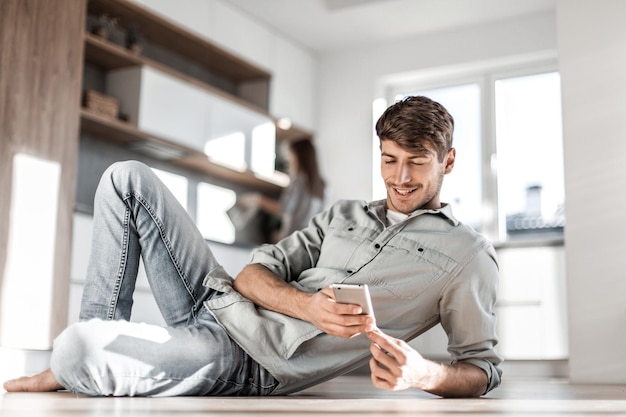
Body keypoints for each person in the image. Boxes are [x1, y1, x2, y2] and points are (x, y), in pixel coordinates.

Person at [3, 96, 502, 398]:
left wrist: (425, 374)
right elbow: (252, 274)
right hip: (217, 299)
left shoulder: (467, 255)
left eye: (416, 162)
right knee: (124, 178)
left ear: (448, 161)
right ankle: (96, 353)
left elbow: (482, 367)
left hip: (248, 360)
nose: (399, 177)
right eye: (389, 160)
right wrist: (306, 304)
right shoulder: (345, 215)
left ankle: (88, 357)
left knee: (74, 346)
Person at [236, 138, 326, 243]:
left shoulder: (298, 180)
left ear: (299, 157)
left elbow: (283, 208)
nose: (289, 159)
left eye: (290, 155)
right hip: (309, 243)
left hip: (291, 241)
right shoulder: (322, 186)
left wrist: (257, 200)